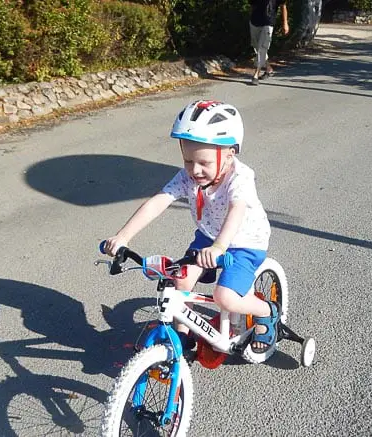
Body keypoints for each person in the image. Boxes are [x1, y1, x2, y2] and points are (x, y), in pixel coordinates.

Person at [103, 100, 279, 357]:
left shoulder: (240, 178)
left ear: (229, 154)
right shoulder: (188, 176)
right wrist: (124, 235)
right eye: (188, 161)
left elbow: (236, 211)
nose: (194, 170)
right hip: (208, 237)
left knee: (225, 298)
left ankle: (267, 312)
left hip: (243, 242)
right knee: (180, 279)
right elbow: (159, 201)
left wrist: (220, 246)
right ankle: (182, 337)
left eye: (203, 163)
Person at [249, 0, 290, 86]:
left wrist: (285, 23)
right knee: (256, 46)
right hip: (254, 21)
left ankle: (256, 74)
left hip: (268, 22)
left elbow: (283, 6)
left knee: (262, 48)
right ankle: (268, 68)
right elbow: (252, 5)